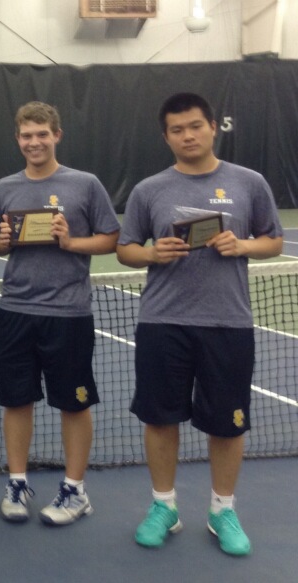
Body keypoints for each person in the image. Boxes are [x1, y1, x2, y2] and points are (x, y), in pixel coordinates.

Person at [117, 92, 282, 556]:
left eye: (195, 126)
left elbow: (272, 239)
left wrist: (242, 246)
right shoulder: (149, 189)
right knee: (159, 417)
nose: (187, 136)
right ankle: (164, 506)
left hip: (227, 323)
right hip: (161, 321)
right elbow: (126, 248)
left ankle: (222, 510)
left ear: (213, 127)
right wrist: (152, 253)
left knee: (227, 425)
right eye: (176, 129)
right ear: (166, 136)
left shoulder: (249, 183)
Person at [0, 101, 120, 525]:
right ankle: (16, 482)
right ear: (18, 139)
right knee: (16, 400)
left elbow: (111, 239)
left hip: (68, 314)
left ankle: (74, 490)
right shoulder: (4, 188)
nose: (34, 142)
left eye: (41, 134)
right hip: (15, 310)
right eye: (26, 135)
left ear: (56, 136)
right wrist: (2, 243)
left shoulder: (85, 185)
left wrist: (71, 243)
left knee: (73, 404)